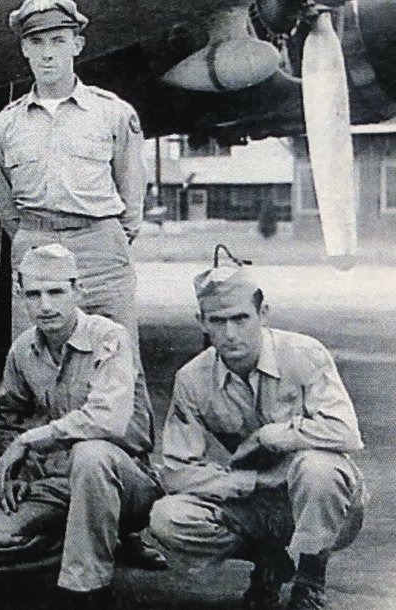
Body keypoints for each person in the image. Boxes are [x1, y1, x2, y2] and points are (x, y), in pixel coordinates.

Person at [149, 255, 367, 610]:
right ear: (201, 323)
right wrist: (253, 482)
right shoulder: (192, 379)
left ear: (263, 313)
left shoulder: (304, 354)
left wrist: (274, 436)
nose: (231, 333)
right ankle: (269, 558)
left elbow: (345, 431)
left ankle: (310, 577)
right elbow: (175, 471)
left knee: (318, 468)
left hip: (320, 500)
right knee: (167, 517)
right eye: (217, 321)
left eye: (241, 318)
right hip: (256, 498)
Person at [0, 245, 160, 610]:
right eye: (34, 294)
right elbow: (8, 417)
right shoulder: (23, 350)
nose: (46, 305)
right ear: (21, 296)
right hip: (55, 483)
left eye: (56, 292)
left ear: (78, 291)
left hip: (125, 480)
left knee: (91, 454)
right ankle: (89, 546)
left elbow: (108, 419)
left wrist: (33, 439)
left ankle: (87, 590)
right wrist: (19, 467)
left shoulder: (110, 337)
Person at [0, 0, 146, 348]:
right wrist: (34, 237)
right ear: (24, 49)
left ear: (78, 44)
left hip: (100, 249)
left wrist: (107, 237)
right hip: (36, 244)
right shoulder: (5, 124)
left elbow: (131, 191)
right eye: (36, 42)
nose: (47, 53)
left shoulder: (113, 113)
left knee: (118, 359)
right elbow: (4, 199)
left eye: (58, 41)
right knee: (34, 358)